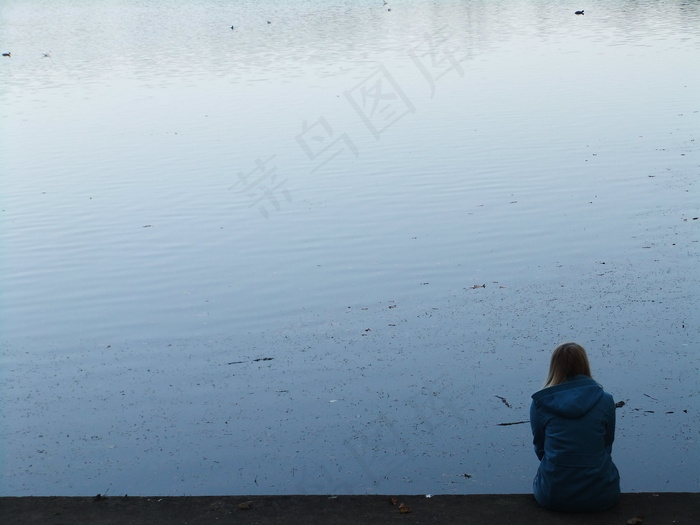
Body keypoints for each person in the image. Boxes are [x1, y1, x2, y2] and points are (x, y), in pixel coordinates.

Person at [530, 342, 620, 512]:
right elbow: (607, 445)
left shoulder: (540, 403)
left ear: (554, 368)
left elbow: (540, 449)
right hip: (602, 494)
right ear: (585, 364)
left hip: (553, 495)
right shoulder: (606, 400)